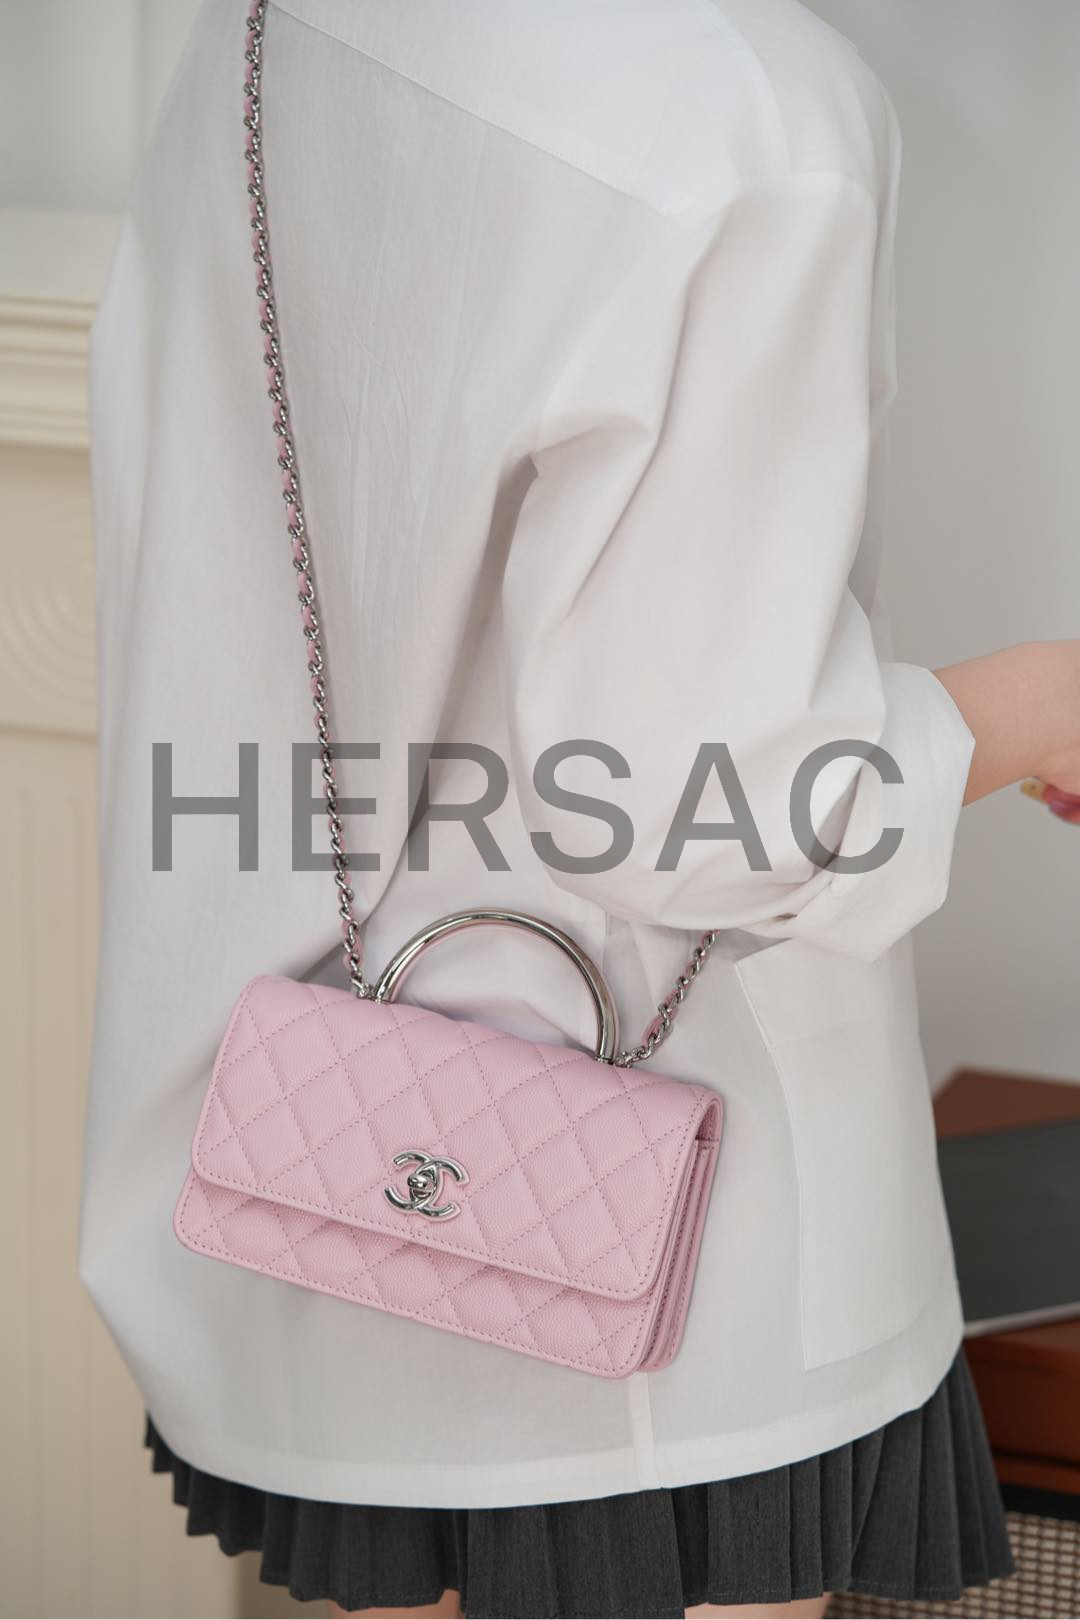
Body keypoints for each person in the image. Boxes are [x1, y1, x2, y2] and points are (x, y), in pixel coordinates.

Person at [80, 0, 1077, 1615]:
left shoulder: (270, 24)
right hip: (670, 1320)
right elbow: (713, 802)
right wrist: (1040, 700)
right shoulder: (741, 109)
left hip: (296, 1196)